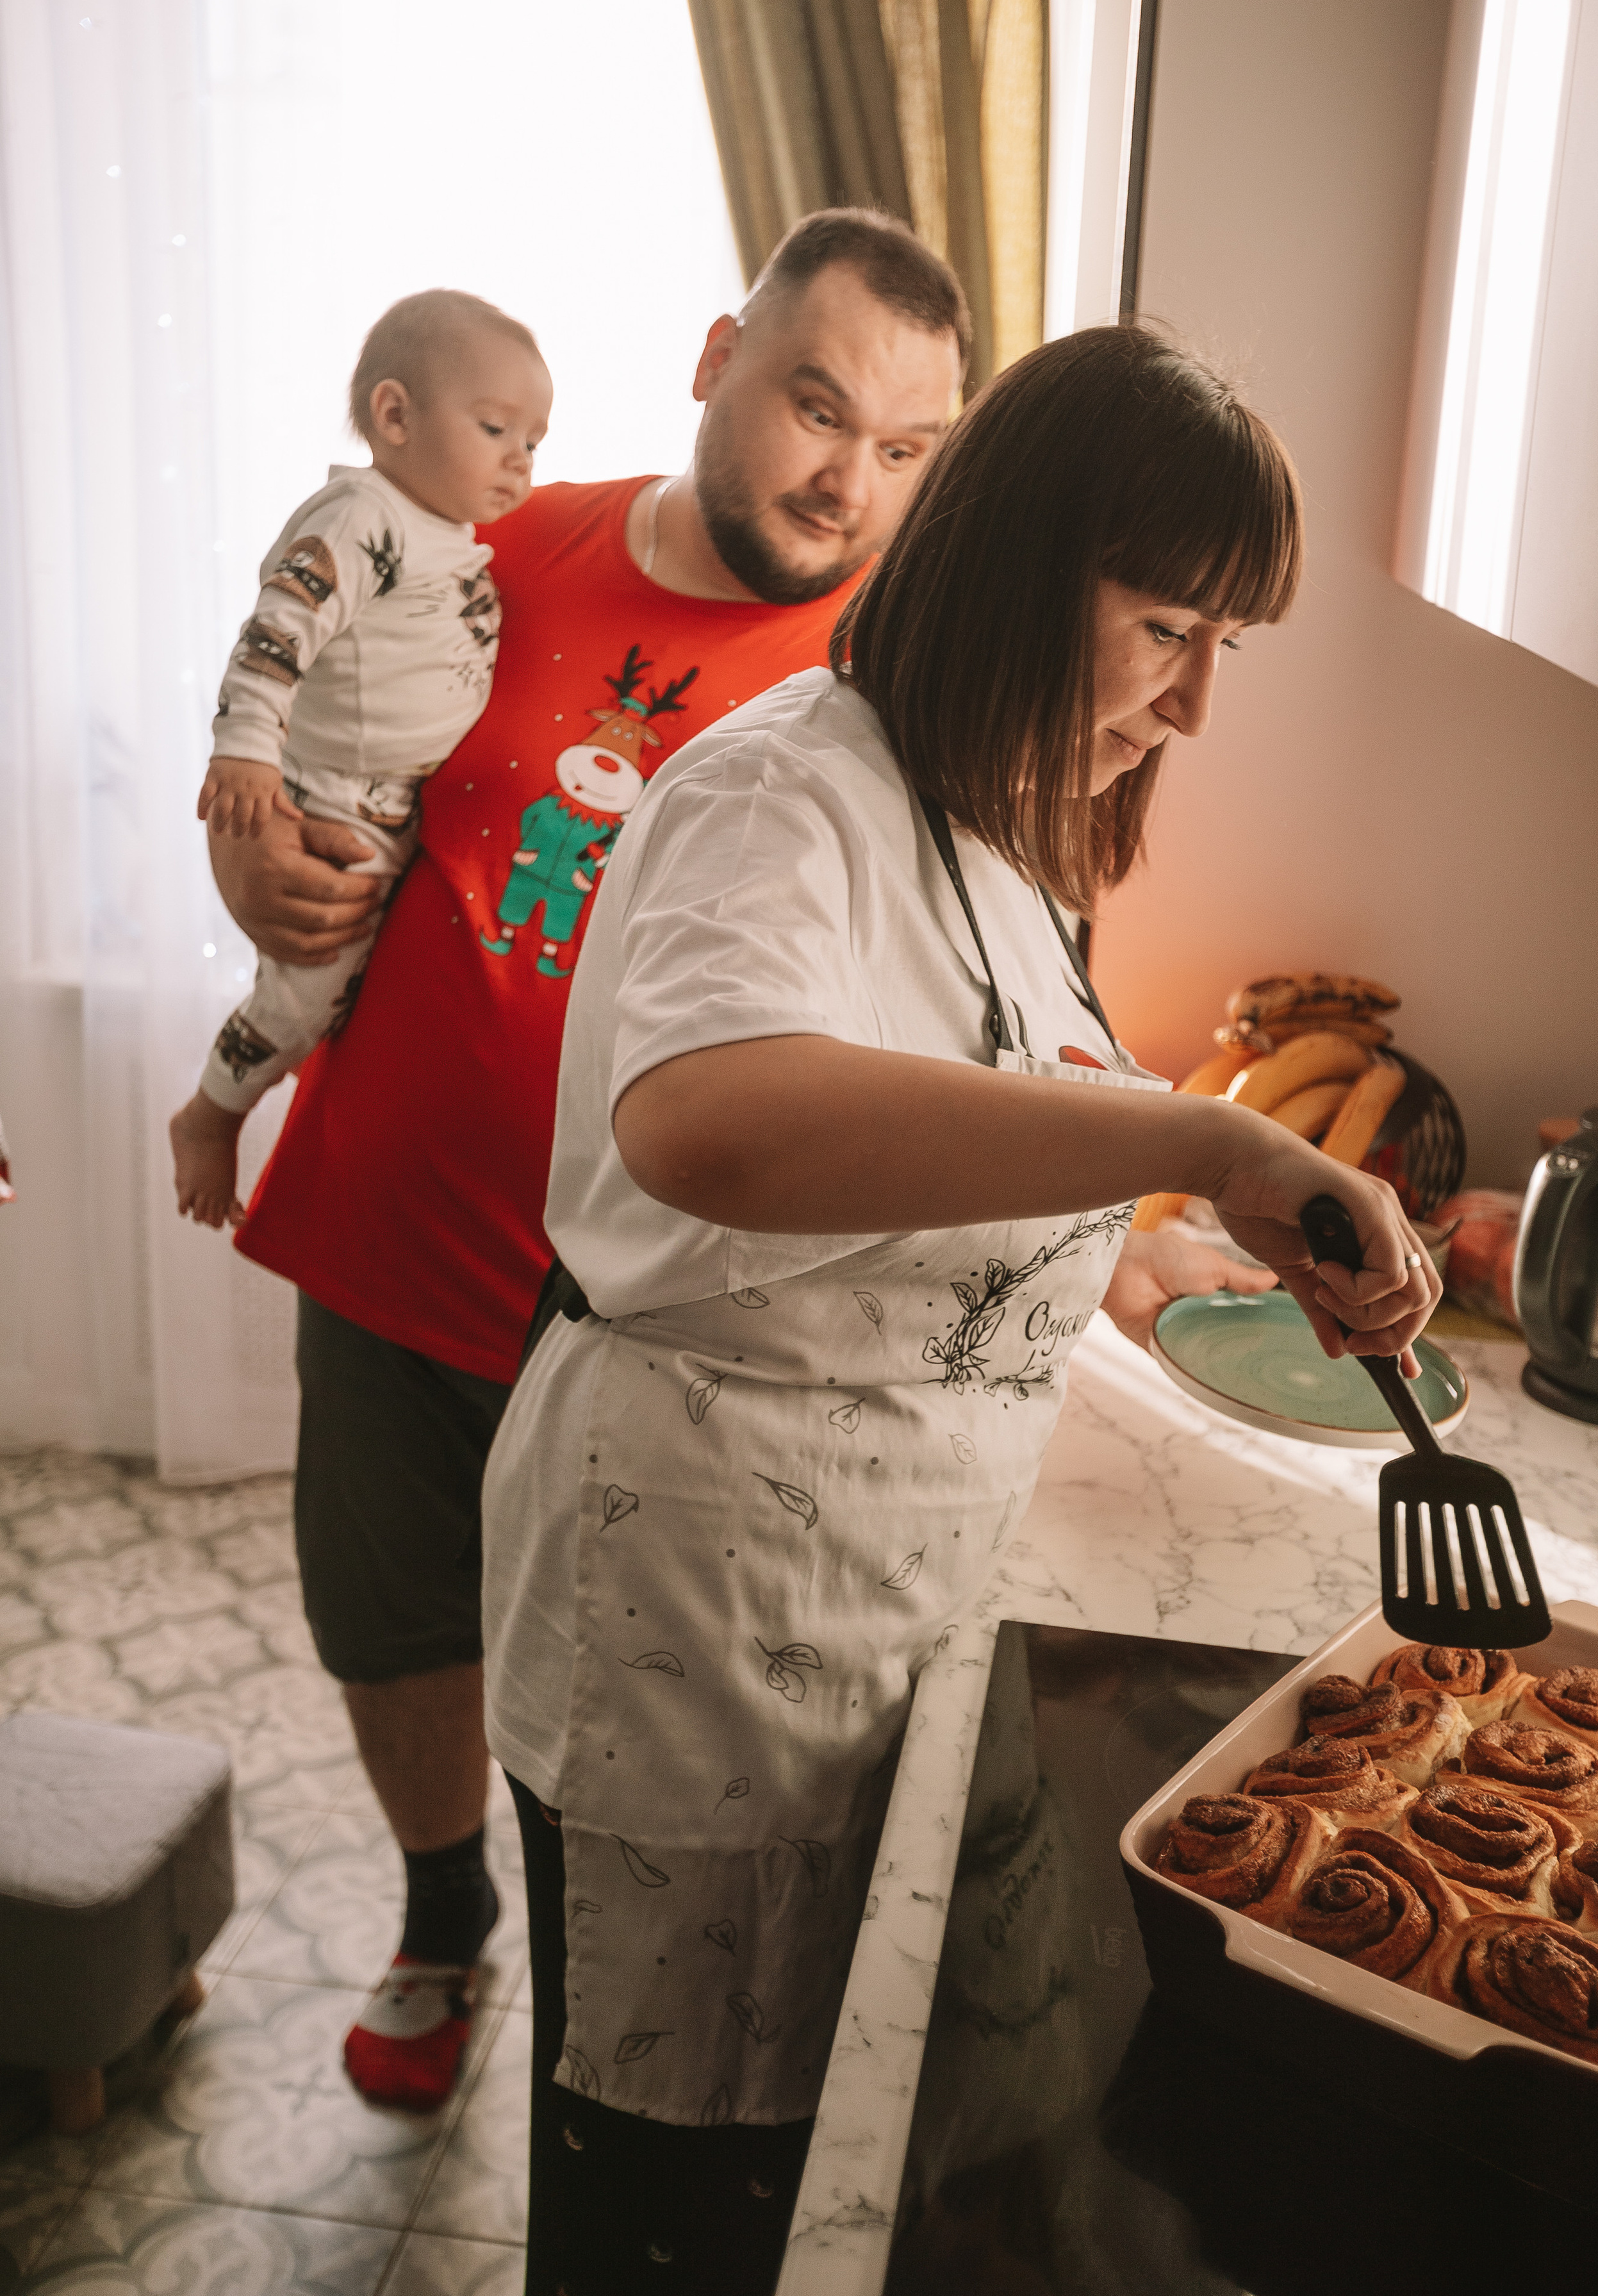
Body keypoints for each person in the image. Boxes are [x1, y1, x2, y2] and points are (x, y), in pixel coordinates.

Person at [480, 321, 1440, 2293]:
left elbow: (951, 1178)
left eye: (1221, 650)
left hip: (858, 1619)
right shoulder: (788, 799)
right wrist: (1200, 1134)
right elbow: (717, 1128)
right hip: (707, 1636)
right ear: (1018, 566)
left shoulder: (993, 839)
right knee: (664, 2216)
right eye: (1168, 626)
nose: (1188, 706)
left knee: (781, 2178)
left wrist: (1187, 1247)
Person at [210, 211, 973, 2113]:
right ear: (718, 356)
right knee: (390, 1629)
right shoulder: (493, 544)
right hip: (389, 1240)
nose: (847, 478)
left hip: (655, 1330)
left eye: (904, 448)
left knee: (616, 1712)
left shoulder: (900, 672)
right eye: (817, 406)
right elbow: (309, 761)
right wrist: (248, 863)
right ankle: (437, 1907)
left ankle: (580, 1996)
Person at [170, 290, 553, 1228]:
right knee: (305, 998)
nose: (522, 459)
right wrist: (248, 752)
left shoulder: (450, 536)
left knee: (360, 1004)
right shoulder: (364, 516)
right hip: (330, 799)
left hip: (396, 802)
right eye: (498, 427)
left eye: (535, 440)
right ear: (394, 416)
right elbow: (278, 632)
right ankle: (213, 1114)